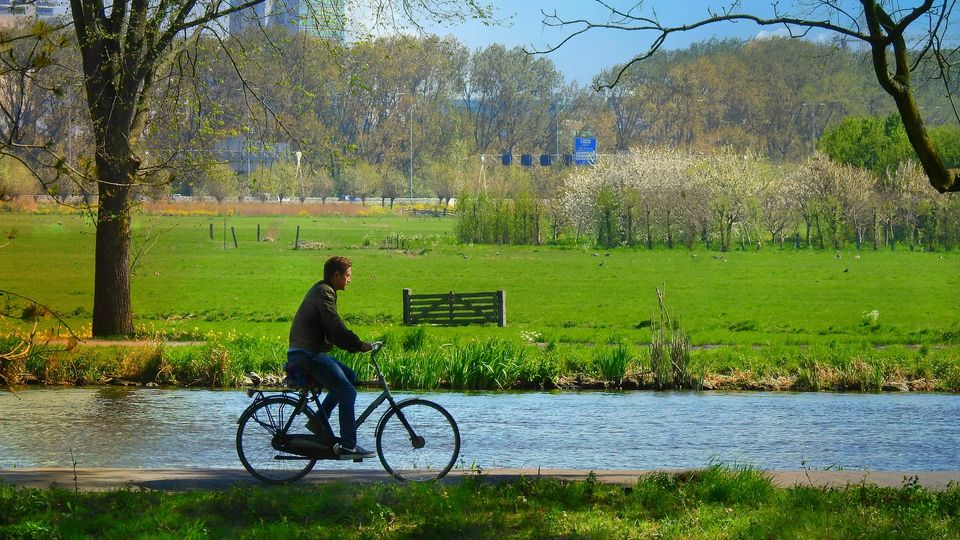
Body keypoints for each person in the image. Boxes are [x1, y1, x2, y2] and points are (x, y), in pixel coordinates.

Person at [286, 255, 374, 458]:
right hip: (307, 353)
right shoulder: (324, 293)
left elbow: (333, 328)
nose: (350, 280)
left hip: (307, 351)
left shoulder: (324, 290)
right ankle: (348, 445)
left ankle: (318, 421)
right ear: (336, 275)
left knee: (349, 377)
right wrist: (358, 345)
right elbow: (335, 326)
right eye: (348, 275)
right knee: (348, 392)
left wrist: (353, 344)